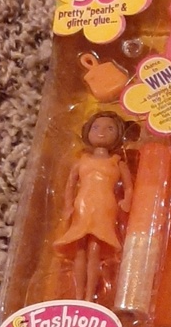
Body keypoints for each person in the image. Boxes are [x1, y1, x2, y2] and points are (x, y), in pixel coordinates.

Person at [54, 111, 133, 301]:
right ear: (87, 131)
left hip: (105, 206)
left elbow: (129, 187)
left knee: (95, 248)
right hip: (82, 205)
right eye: (96, 128)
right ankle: (78, 295)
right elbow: (70, 185)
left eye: (110, 128)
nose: (101, 132)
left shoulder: (117, 163)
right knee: (79, 249)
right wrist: (68, 206)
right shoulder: (82, 160)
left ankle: (89, 296)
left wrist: (126, 202)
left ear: (118, 134)